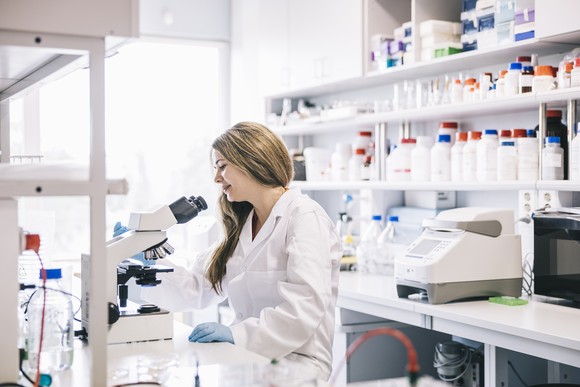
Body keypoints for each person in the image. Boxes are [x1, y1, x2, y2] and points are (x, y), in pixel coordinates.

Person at [122, 121, 342, 380]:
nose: (216, 178)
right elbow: (200, 285)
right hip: (246, 360)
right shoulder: (243, 223)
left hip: (297, 367)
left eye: (222, 166)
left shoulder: (304, 217)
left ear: (252, 160)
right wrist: (147, 265)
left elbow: (303, 309)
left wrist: (236, 334)